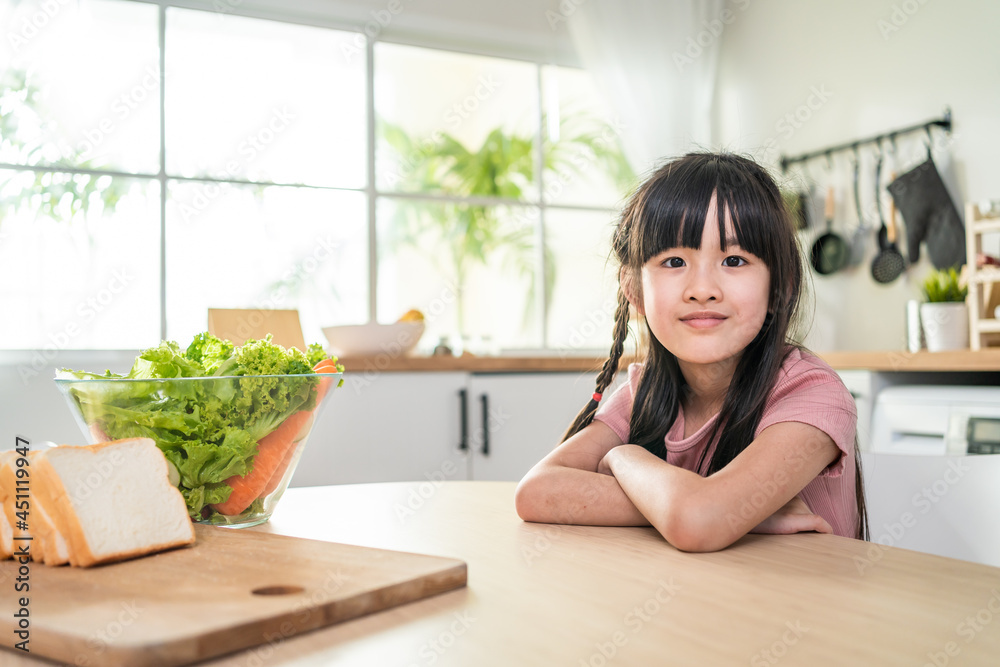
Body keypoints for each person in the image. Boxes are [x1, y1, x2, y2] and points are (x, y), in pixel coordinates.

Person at [514, 152, 868, 552]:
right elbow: (538, 493)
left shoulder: (811, 394)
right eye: (675, 260)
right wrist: (725, 512)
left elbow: (700, 522)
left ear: (780, 287)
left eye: (734, 260)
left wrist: (624, 459)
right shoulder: (643, 392)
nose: (702, 289)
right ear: (634, 290)